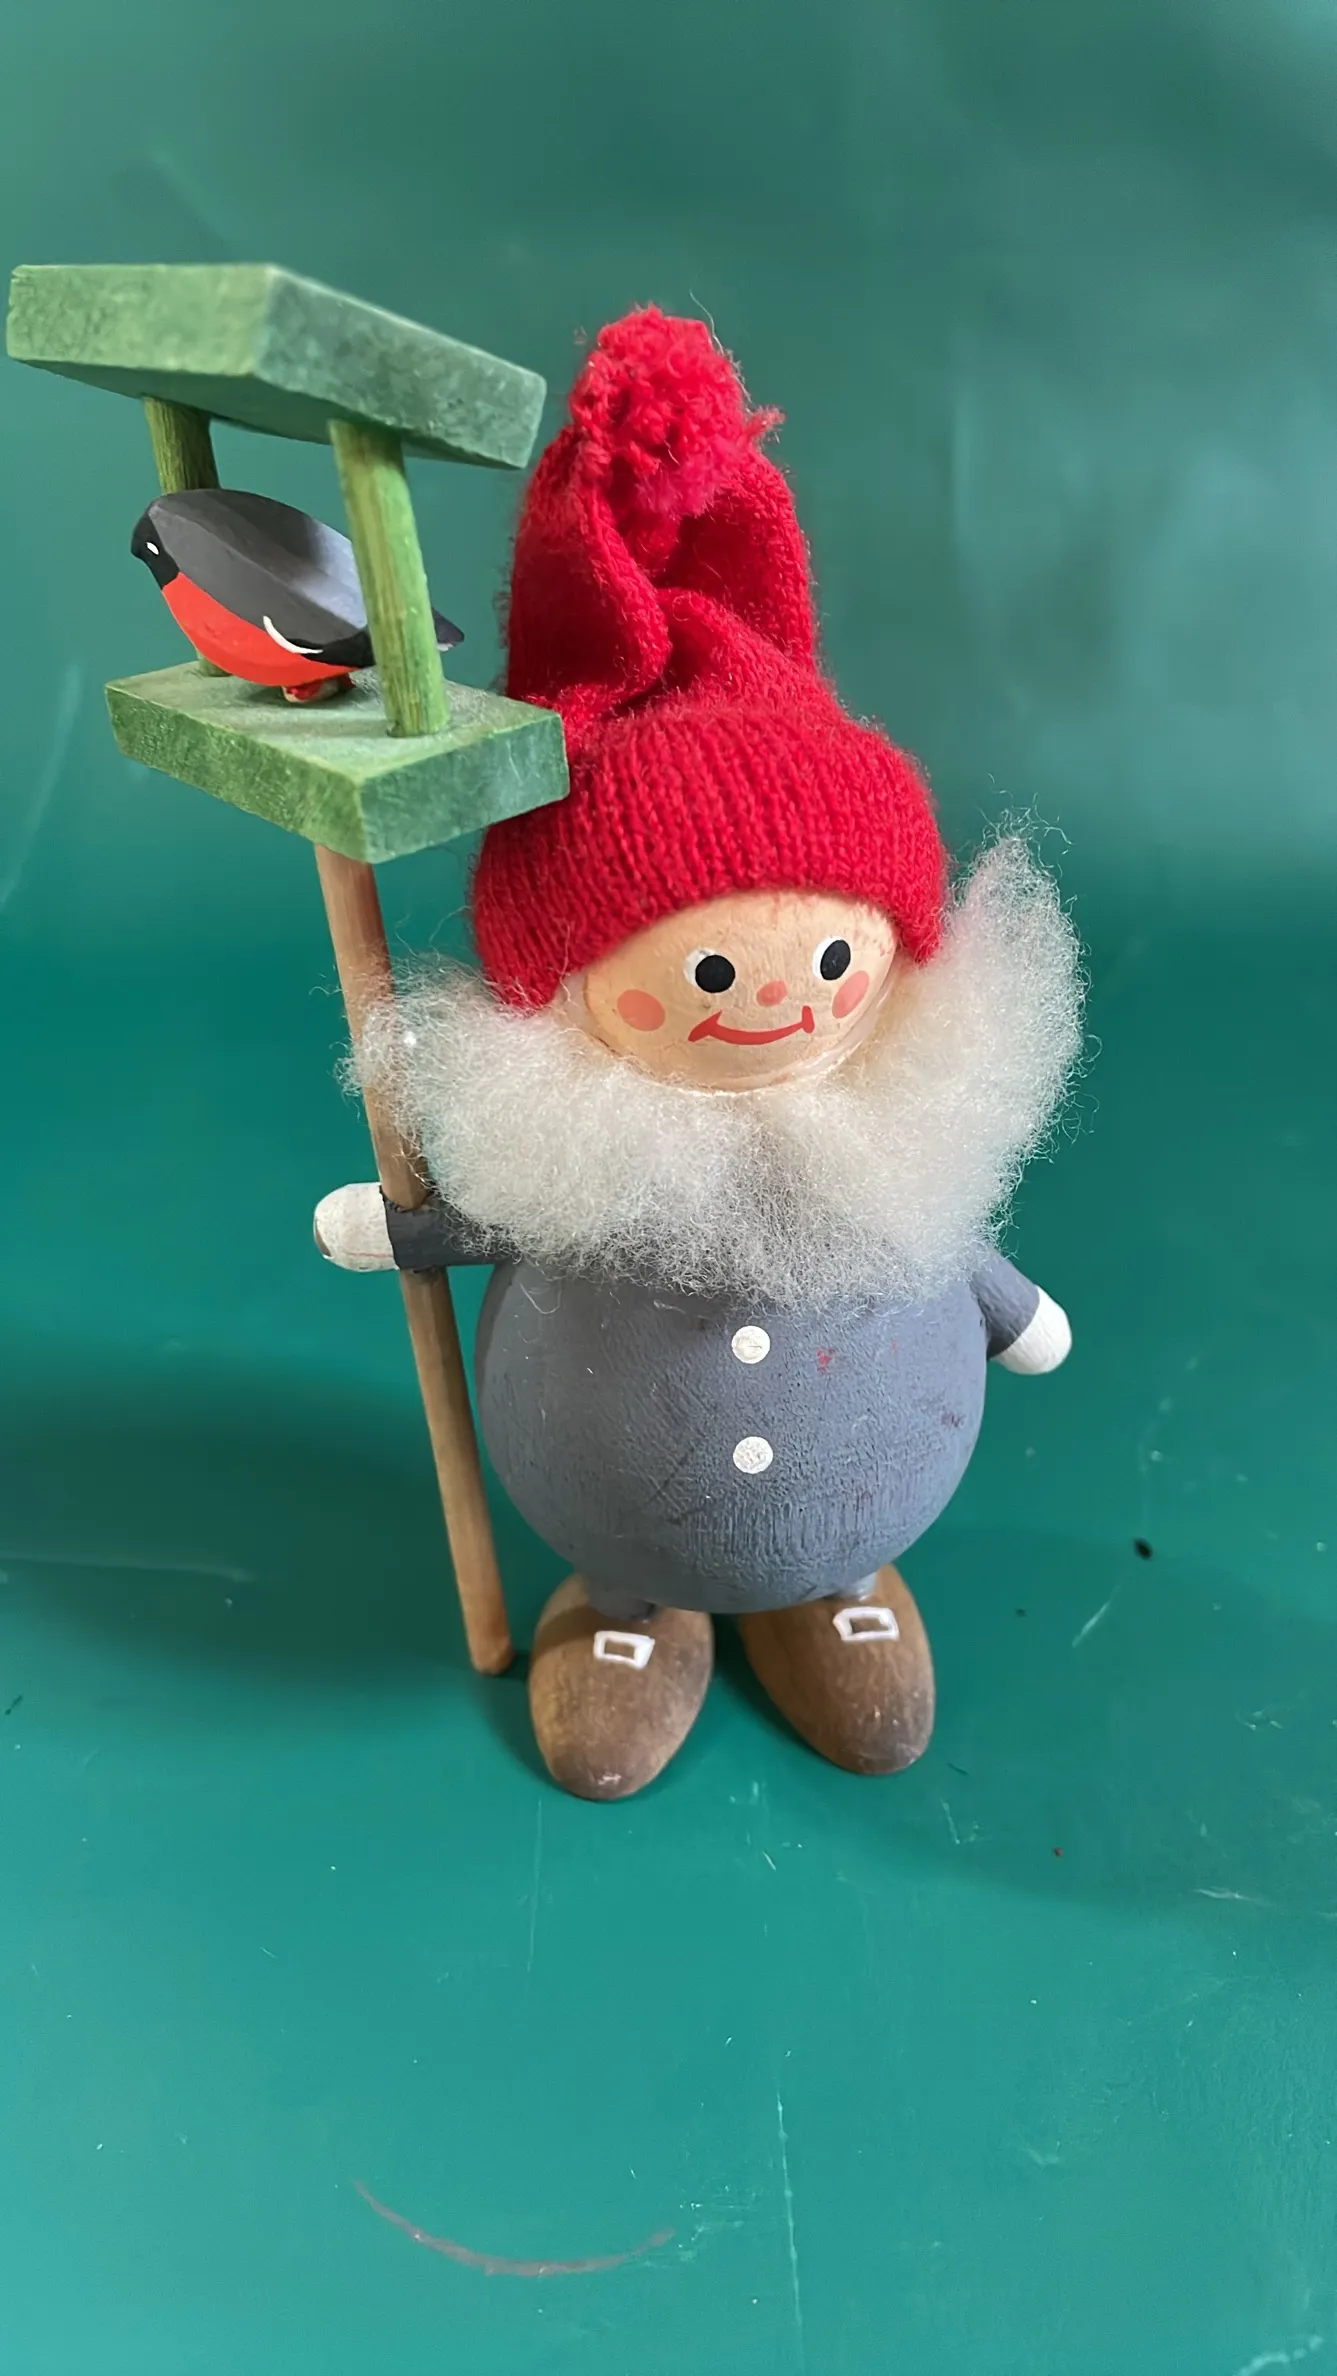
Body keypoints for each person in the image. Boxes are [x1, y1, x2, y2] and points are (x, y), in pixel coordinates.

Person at [315, 306, 1082, 1799]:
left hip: (862, 1523)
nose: (786, 1005)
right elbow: (484, 1218)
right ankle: (628, 1606)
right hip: (611, 1523)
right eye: (715, 971)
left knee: (871, 1684)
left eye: (840, 960)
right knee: (621, 1617)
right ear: (566, 983)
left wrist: (1015, 1313)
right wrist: (404, 1227)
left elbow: (955, 1247)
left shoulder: (898, 1139)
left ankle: (837, 1583)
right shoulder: (575, 1159)